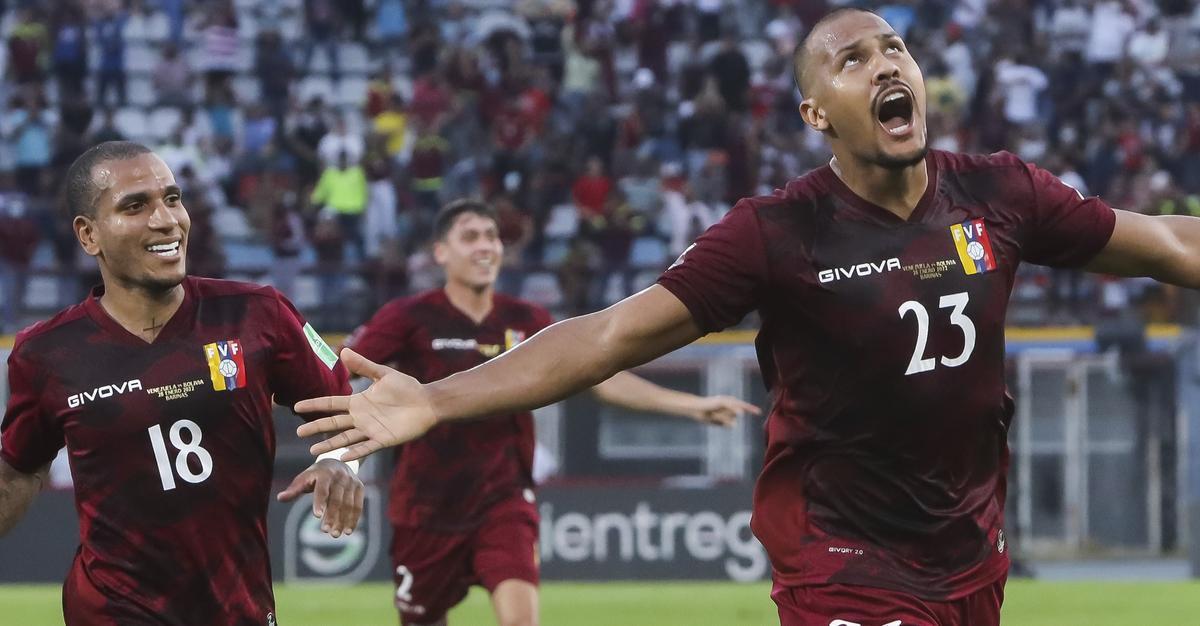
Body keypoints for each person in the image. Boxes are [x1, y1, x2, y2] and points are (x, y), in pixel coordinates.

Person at [296, 9, 1200, 625]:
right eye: (852, 60)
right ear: (816, 112)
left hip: (969, 553)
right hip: (839, 551)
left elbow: (1163, 241)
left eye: (894, 48)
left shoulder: (1001, 194)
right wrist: (437, 401)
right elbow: (608, 335)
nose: (885, 64)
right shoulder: (775, 233)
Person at [341, 199, 759, 626]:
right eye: (470, 237)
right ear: (441, 252)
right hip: (425, 506)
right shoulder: (408, 317)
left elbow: (599, 376)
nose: (485, 246)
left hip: (503, 501)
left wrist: (690, 405)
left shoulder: (527, 320)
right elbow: (344, 367)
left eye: (492, 236)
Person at [0, 141, 364, 624]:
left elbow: (345, 407)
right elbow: (19, 470)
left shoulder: (259, 314)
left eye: (172, 199)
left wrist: (341, 463)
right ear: (89, 236)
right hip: (109, 608)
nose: (166, 219)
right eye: (135, 206)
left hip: (237, 607)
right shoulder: (46, 353)